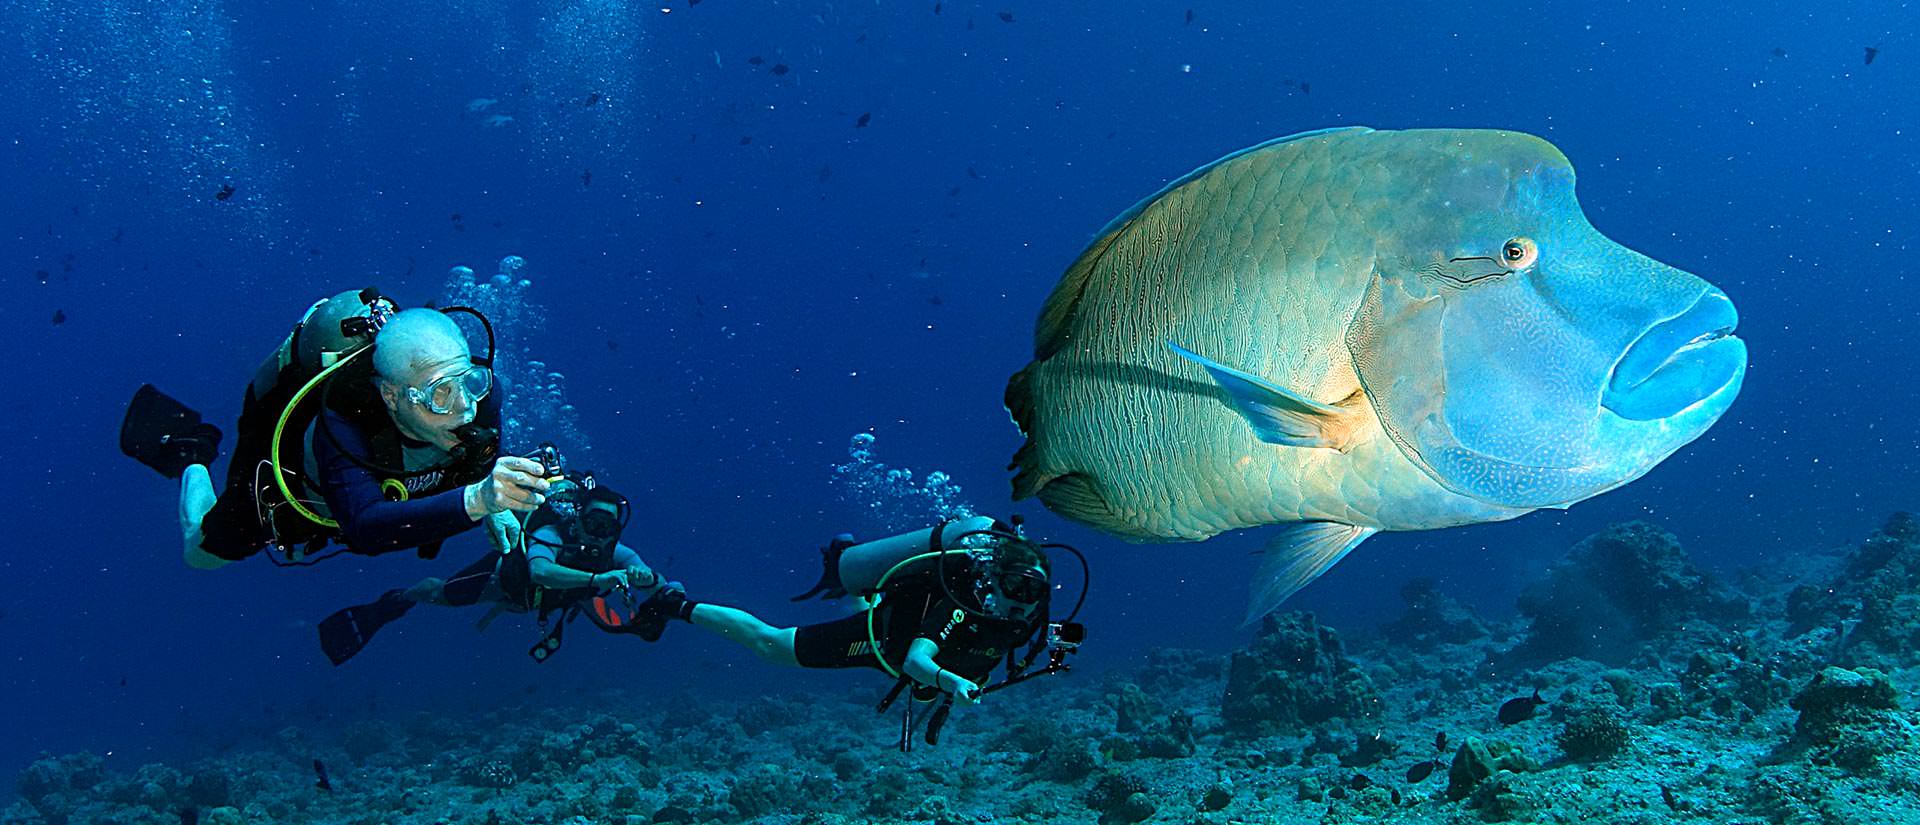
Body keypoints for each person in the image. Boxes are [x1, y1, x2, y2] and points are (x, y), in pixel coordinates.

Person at [119, 288, 551, 570]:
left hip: (392, 488)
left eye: (469, 382)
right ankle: (193, 453)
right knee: (200, 555)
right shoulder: (343, 422)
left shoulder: (484, 396)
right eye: (440, 394)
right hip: (296, 485)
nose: (464, 408)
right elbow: (365, 525)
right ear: (392, 397)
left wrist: (499, 505)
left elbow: (482, 458)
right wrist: (479, 500)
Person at [636, 515, 1081, 744]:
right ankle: (675, 604)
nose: (1021, 601)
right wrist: (951, 682)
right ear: (991, 579)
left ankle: (857, 569)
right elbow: (915, 661)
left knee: (880, 609)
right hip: (880, 642)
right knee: (769, 643)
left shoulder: (1027, 617)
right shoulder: (961, 605)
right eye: (1013, 586)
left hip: (919, 656)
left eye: (1032, 591)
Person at [318, 474, 676, 665]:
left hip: (551, 600)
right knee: (441, 594)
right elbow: (540, 571)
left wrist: (654, 580)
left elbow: (642, 572)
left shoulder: (614, 552)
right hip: (505, 583)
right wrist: (599, 579)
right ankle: (401, 597)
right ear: (578, 518)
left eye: (608, 528)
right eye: (594, 523)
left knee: (625, 621)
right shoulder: (551, 533)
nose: (599, 535)